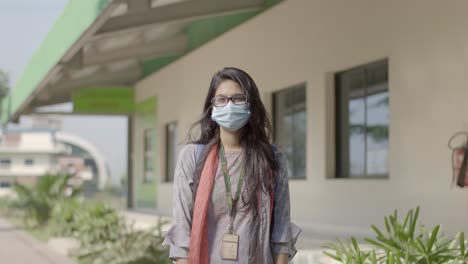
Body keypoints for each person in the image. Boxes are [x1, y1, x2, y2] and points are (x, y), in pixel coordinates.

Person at [162, 67, 301, 264]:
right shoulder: (192, 158)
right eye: (221, 99)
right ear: (212, 106)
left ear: (250, 104)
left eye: (238, 98)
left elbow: (281, 233)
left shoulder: (272, 158)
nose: (229, 105)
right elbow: (182, 234)